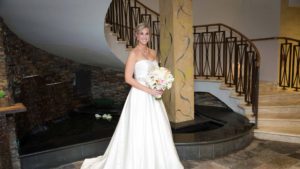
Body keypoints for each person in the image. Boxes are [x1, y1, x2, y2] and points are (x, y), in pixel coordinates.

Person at [80, 22, 184, 169]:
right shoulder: (133, 53)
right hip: (140, 96)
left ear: (150, 35)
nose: (144, 36)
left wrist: (160, 85)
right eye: (141, 33)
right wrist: (149, 90)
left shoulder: (154, 52)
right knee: (139, 129)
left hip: (154, 98)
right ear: (136, 35)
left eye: (147, 33)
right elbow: (128, 78)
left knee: (157, 129)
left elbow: (157, 74)